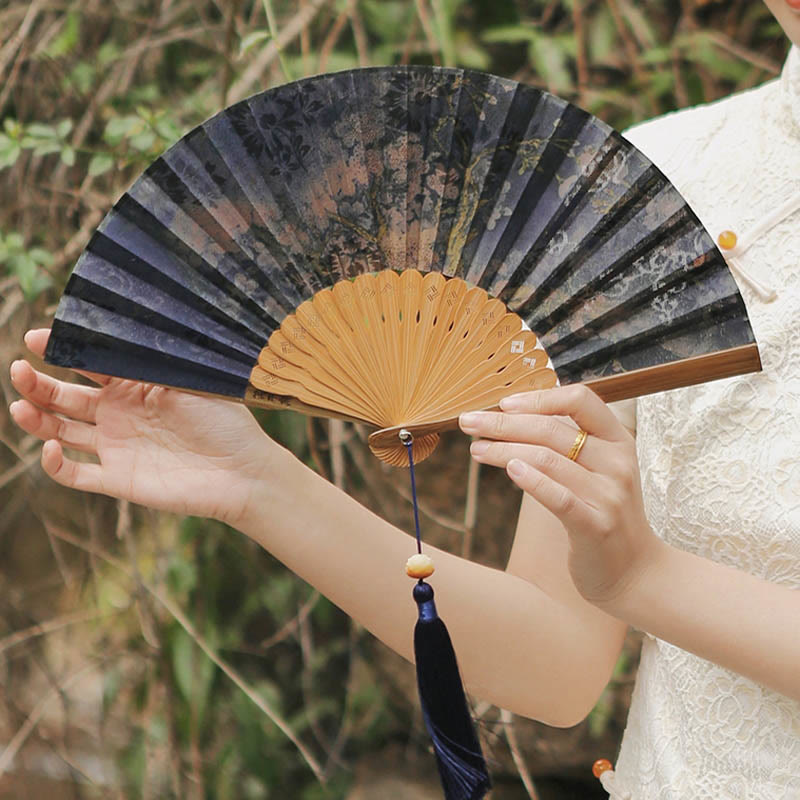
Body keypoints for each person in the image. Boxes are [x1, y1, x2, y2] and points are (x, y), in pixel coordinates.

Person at [8, 3, 800, 796]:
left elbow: (631, 578)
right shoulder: (667, 179)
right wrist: (257, 483)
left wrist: (642, 577)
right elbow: (555, 664)